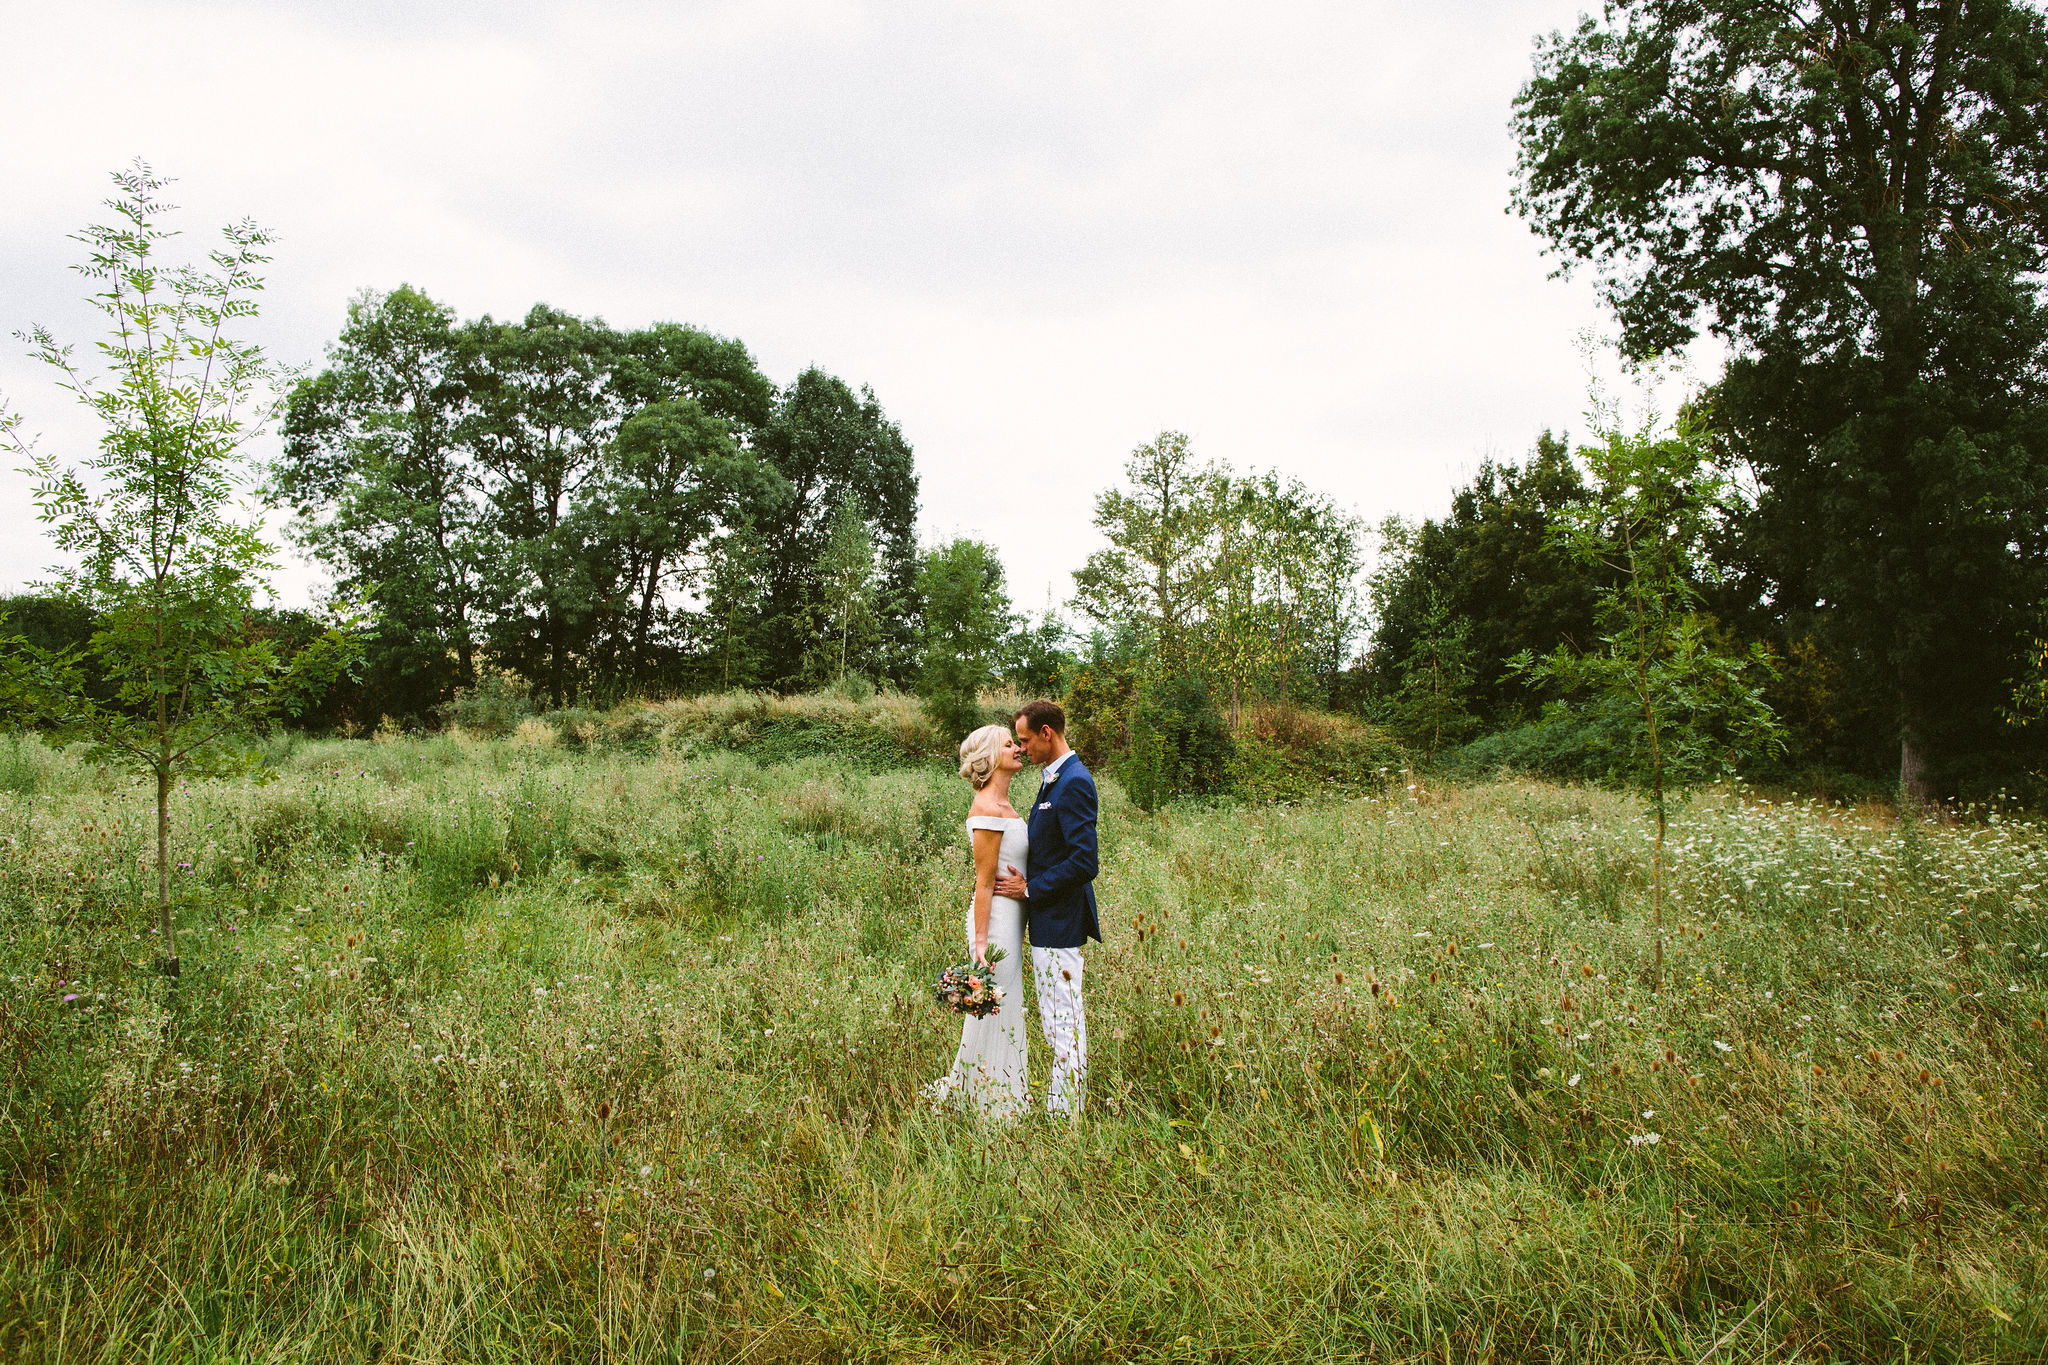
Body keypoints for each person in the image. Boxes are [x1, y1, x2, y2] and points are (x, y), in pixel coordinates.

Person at [995, 699, 1099, 1118]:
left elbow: (1084, 861)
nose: (1022, 749)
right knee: (1057, 1021)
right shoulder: (1051, 778)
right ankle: (1062, 1108)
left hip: (1060, 921)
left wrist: (1031, 889)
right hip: (1048, 921)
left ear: (1046, 733)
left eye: (1024, 740)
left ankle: (1065, 1117)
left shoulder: (1073, 781)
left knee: (1064, 1023)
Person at [927, 724, 1030, 1118]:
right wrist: (982, 945)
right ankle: (990, 1102)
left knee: (1007, 1005)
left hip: (1014, 917)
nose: (1018, 749)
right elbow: (983, 883)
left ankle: (994, 1091)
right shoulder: (987, 807)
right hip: (997, 923)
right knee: (996, 1006)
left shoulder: (1007, 806)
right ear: (990, 757)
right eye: (1009, 744)